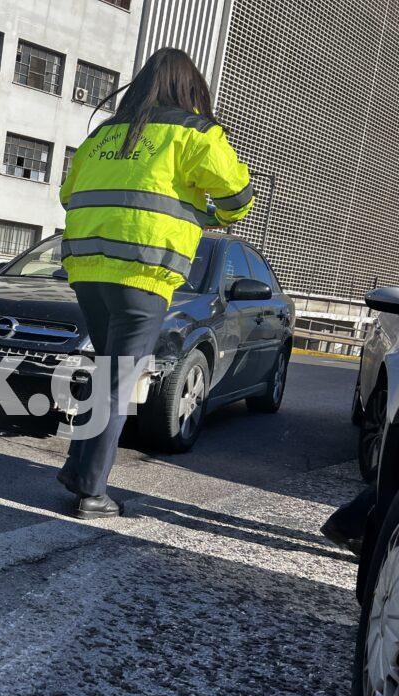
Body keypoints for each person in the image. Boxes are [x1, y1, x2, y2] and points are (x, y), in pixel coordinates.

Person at [57, 48, 254, 520]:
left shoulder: (104, 134)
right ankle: (90, 492)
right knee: (118, 380)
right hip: (142, 273)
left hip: (87, 269)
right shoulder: (195, 133)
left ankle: (77, 468)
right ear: (190, 89)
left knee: (107, 372)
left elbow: (69, 194)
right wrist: (208, 212)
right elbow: (238, 197)